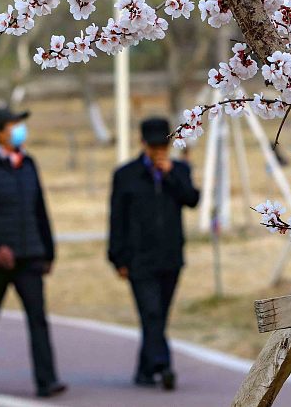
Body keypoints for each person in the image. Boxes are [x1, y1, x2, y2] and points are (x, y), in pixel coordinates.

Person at [0, 106, 66, 399]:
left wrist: (48, 251)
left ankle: (46, 380)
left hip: (30, 254)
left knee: (38, 318)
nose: (20, 130)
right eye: (14, 125)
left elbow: (40, 208)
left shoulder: (28, 164)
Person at [108, 117, 200, 391]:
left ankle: (144, 372)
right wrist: (117, 258)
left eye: (164, 146)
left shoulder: (180, 170)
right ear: (143, 144)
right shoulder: (126, 175)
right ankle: (163, 365)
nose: (160, 152)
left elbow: (193, 200)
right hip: (138, 259)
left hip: (171, 257)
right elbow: (116, 219)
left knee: (158, 315)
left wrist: (171, 174)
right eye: (155, 147)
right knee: (150, 313)